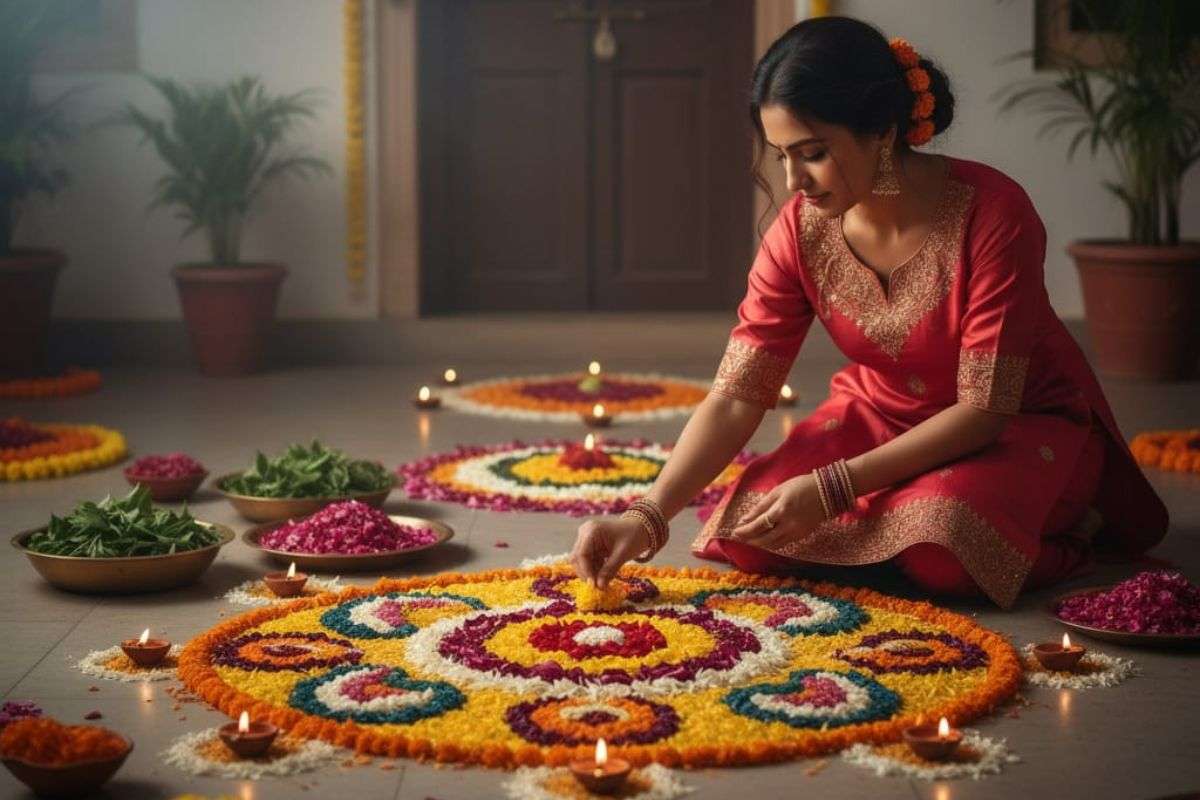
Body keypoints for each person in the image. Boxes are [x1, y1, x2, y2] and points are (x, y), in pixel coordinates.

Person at [569, 16, 1167, 608]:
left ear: (882, 130)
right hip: (877, 414)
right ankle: (902, 526)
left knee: (944, 553)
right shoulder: (800, 231)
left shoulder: (992, 215)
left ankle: (1069, 527)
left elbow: (985, 410)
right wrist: (644, 516)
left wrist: (835, 488)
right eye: (781, 156)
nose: (794, 181)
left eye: (812, 154)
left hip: (1013, 426)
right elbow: (736, 396)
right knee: (753, 532)